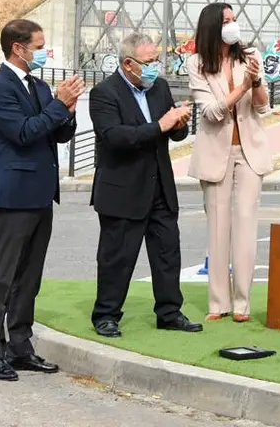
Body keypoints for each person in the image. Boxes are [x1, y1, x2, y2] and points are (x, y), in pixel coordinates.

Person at [0, 18, 85, 381]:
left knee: (30, 278)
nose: (44, 52)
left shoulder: (38, 85)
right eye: (39, 47)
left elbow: (56, 132)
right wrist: (58, 105)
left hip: (41, 195)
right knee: (2, 278)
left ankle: (21, 346)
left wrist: (69, 109)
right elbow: (24, 133)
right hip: (12, 197)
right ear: (17, 48)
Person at [88, 32, 201, 338]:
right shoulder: (104, 93)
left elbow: (171, 134)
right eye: (149, 62)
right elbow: (116, 137)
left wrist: (178, 124)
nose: (155, 67)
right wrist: (160, 125)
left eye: (156, 60)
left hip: (160, 187)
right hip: (123, 190)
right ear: (128, 63)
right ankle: (106, 314)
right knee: (117, 257)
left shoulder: (158, 87)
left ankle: (169, 311)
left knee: (167, 252)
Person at [187, 3, 272, 322]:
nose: (232, 26)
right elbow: (211, 111)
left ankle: (242, 304)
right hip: (215, 153)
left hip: (250, 151)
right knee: (218, 228)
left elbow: (262, 107)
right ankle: (217, 303)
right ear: (212, 26)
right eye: (226, 21)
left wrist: (256, 81)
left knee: (246, 225)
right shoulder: (197, 63)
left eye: (234, 20)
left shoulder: (250, 57)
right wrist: (241, 88)